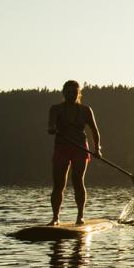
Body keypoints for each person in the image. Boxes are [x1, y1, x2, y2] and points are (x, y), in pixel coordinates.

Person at [46, 80, 102, 225]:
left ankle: (80, 216)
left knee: (78, 181)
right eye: (68, 92)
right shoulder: (55, 109)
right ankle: (55, 218)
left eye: (74, 92)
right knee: (59, 184)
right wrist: (52, 128)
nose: (71, 95)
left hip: (80, 148)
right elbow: (51, 124)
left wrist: (97, 149)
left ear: (78, 94)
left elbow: (94, 131)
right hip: (62, 148)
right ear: (64, 93)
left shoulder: (86, 110)